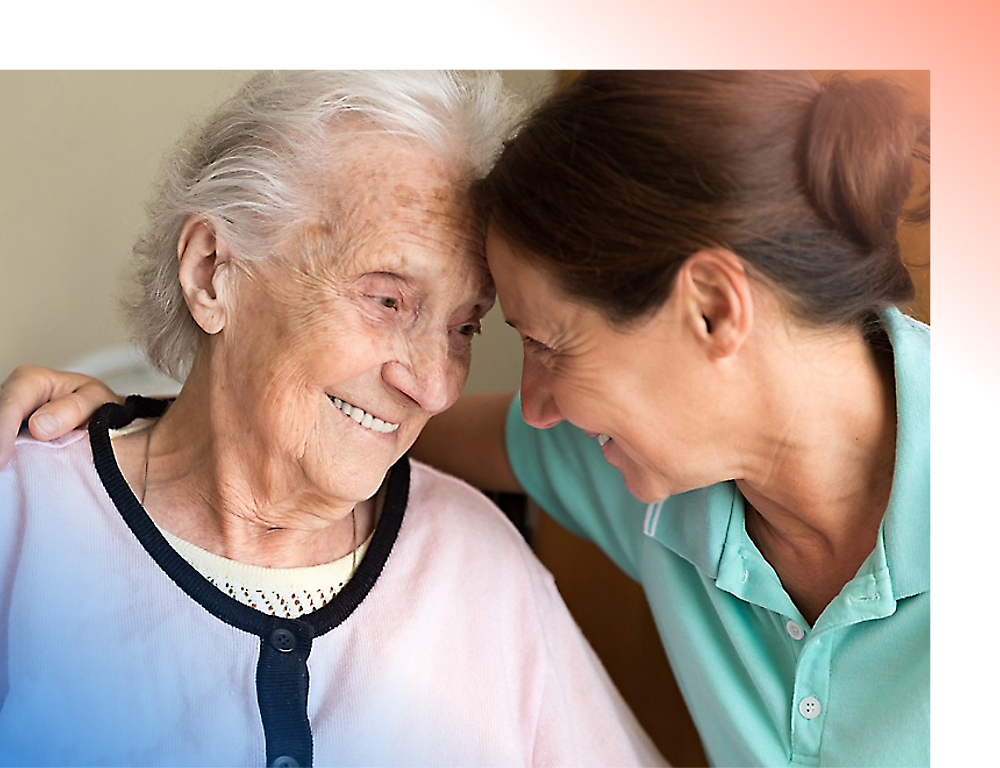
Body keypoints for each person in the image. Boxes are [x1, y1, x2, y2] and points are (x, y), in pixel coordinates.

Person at [1, 69, 930, 767]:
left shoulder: (493, 551)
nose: (444, 387)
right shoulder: (24, 511)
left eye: (466, 328)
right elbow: (311, 421)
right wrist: (126, 426)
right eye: (389, 300)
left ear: (716, 317)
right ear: (213, 273)